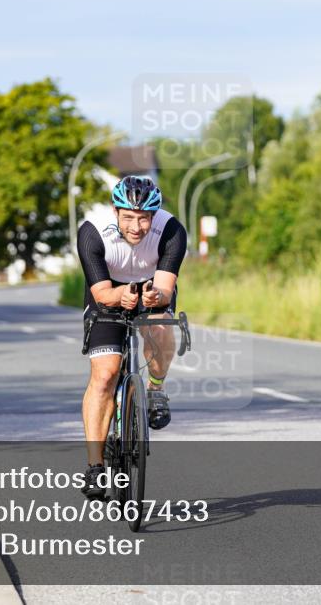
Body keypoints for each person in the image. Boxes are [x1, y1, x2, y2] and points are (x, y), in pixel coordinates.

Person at [76, 175, 186, 499]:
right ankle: (95, 467)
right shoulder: (92, 232)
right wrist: (120, 295)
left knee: (160, 325)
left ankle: (156, 389)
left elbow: (165, 288)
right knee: (105, 374)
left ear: (154, 215)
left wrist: (155, 298)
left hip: (151, 287)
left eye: (143, 218)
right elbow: (101, 293)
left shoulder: (171, 230)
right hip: (108, 292)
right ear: (115, 211)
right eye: (128, 217)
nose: (136, 227)